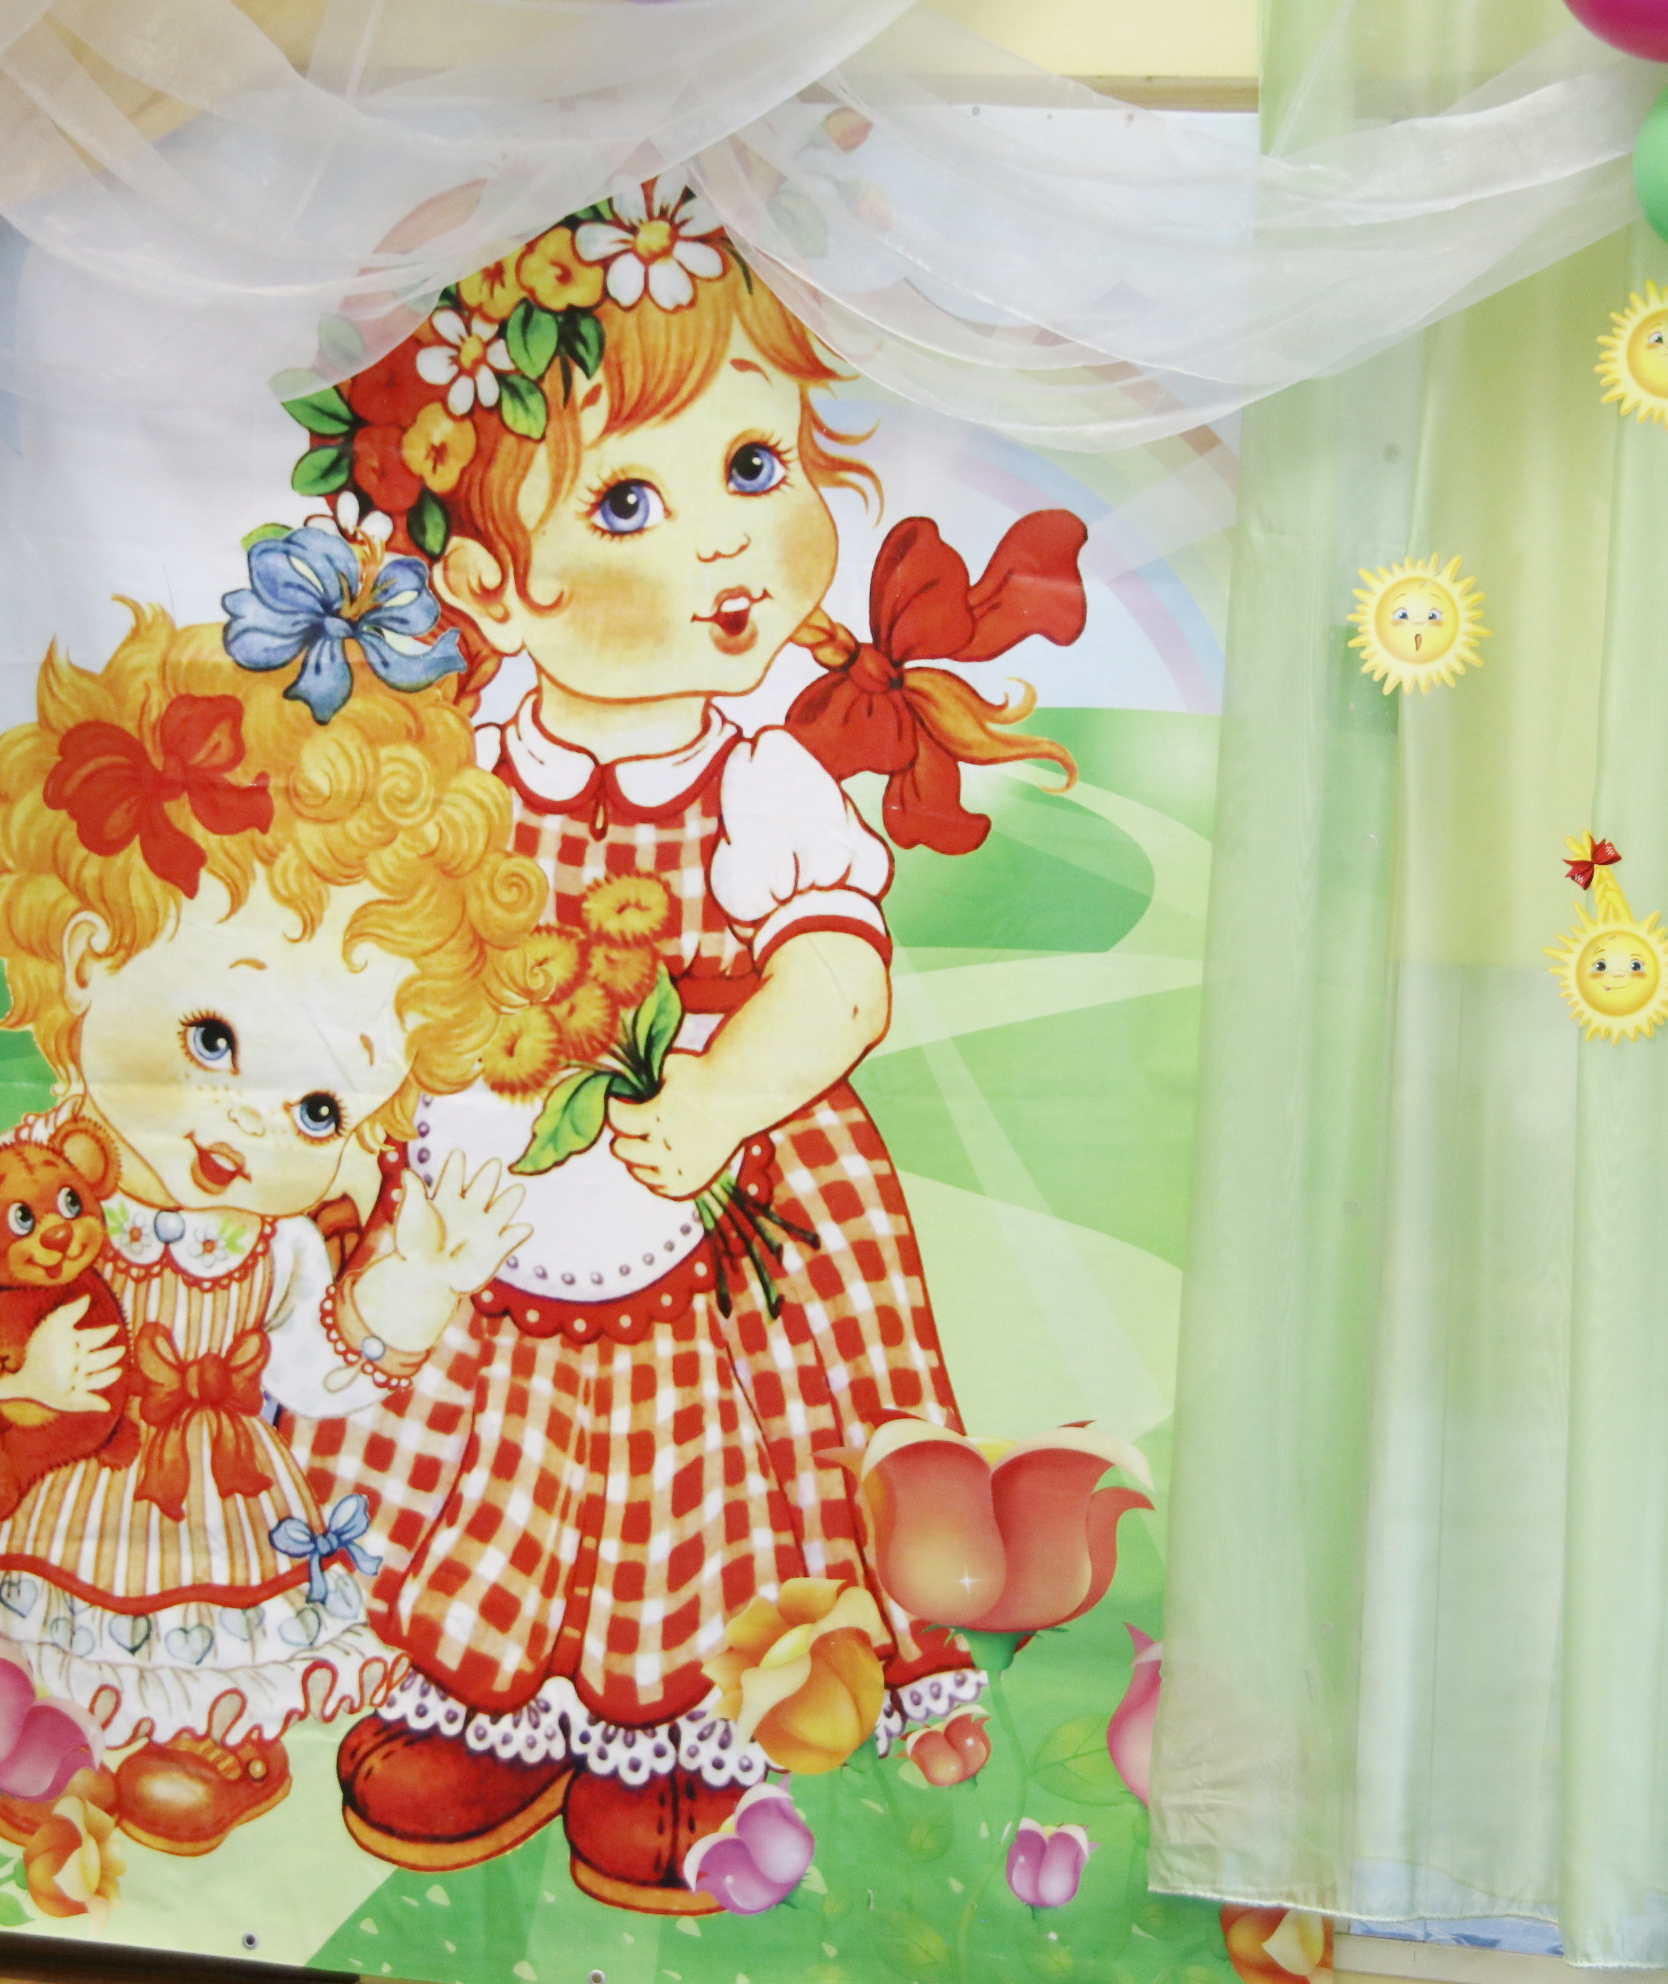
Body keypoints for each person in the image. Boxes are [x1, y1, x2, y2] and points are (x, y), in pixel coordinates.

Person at [269, 179, 1087, 1911]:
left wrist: (724, 1089)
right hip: (485, 1184)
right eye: (633, 501)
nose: (725, 541)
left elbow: (839, 974)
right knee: (486, 1451)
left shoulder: (763, 772)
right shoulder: (457, 746)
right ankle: (484, 1694)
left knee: (700, 1470)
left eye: (758, 467)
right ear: (490, 586)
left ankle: (685, 1725)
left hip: (715, 1197)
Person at [0, 604, 542, 1858]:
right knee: (36, 1633)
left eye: (321, 1107)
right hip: (57, 1487)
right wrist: (12, 1360)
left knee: (201, 1650)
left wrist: (416, 1280)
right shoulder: (31, 1182)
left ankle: (185, 1739)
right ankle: (39, 1731)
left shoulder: (270, 1246)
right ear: (88, 959)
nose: (248, 1118)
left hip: (220, 1502)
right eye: (215, 1038)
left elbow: (317, 1372)